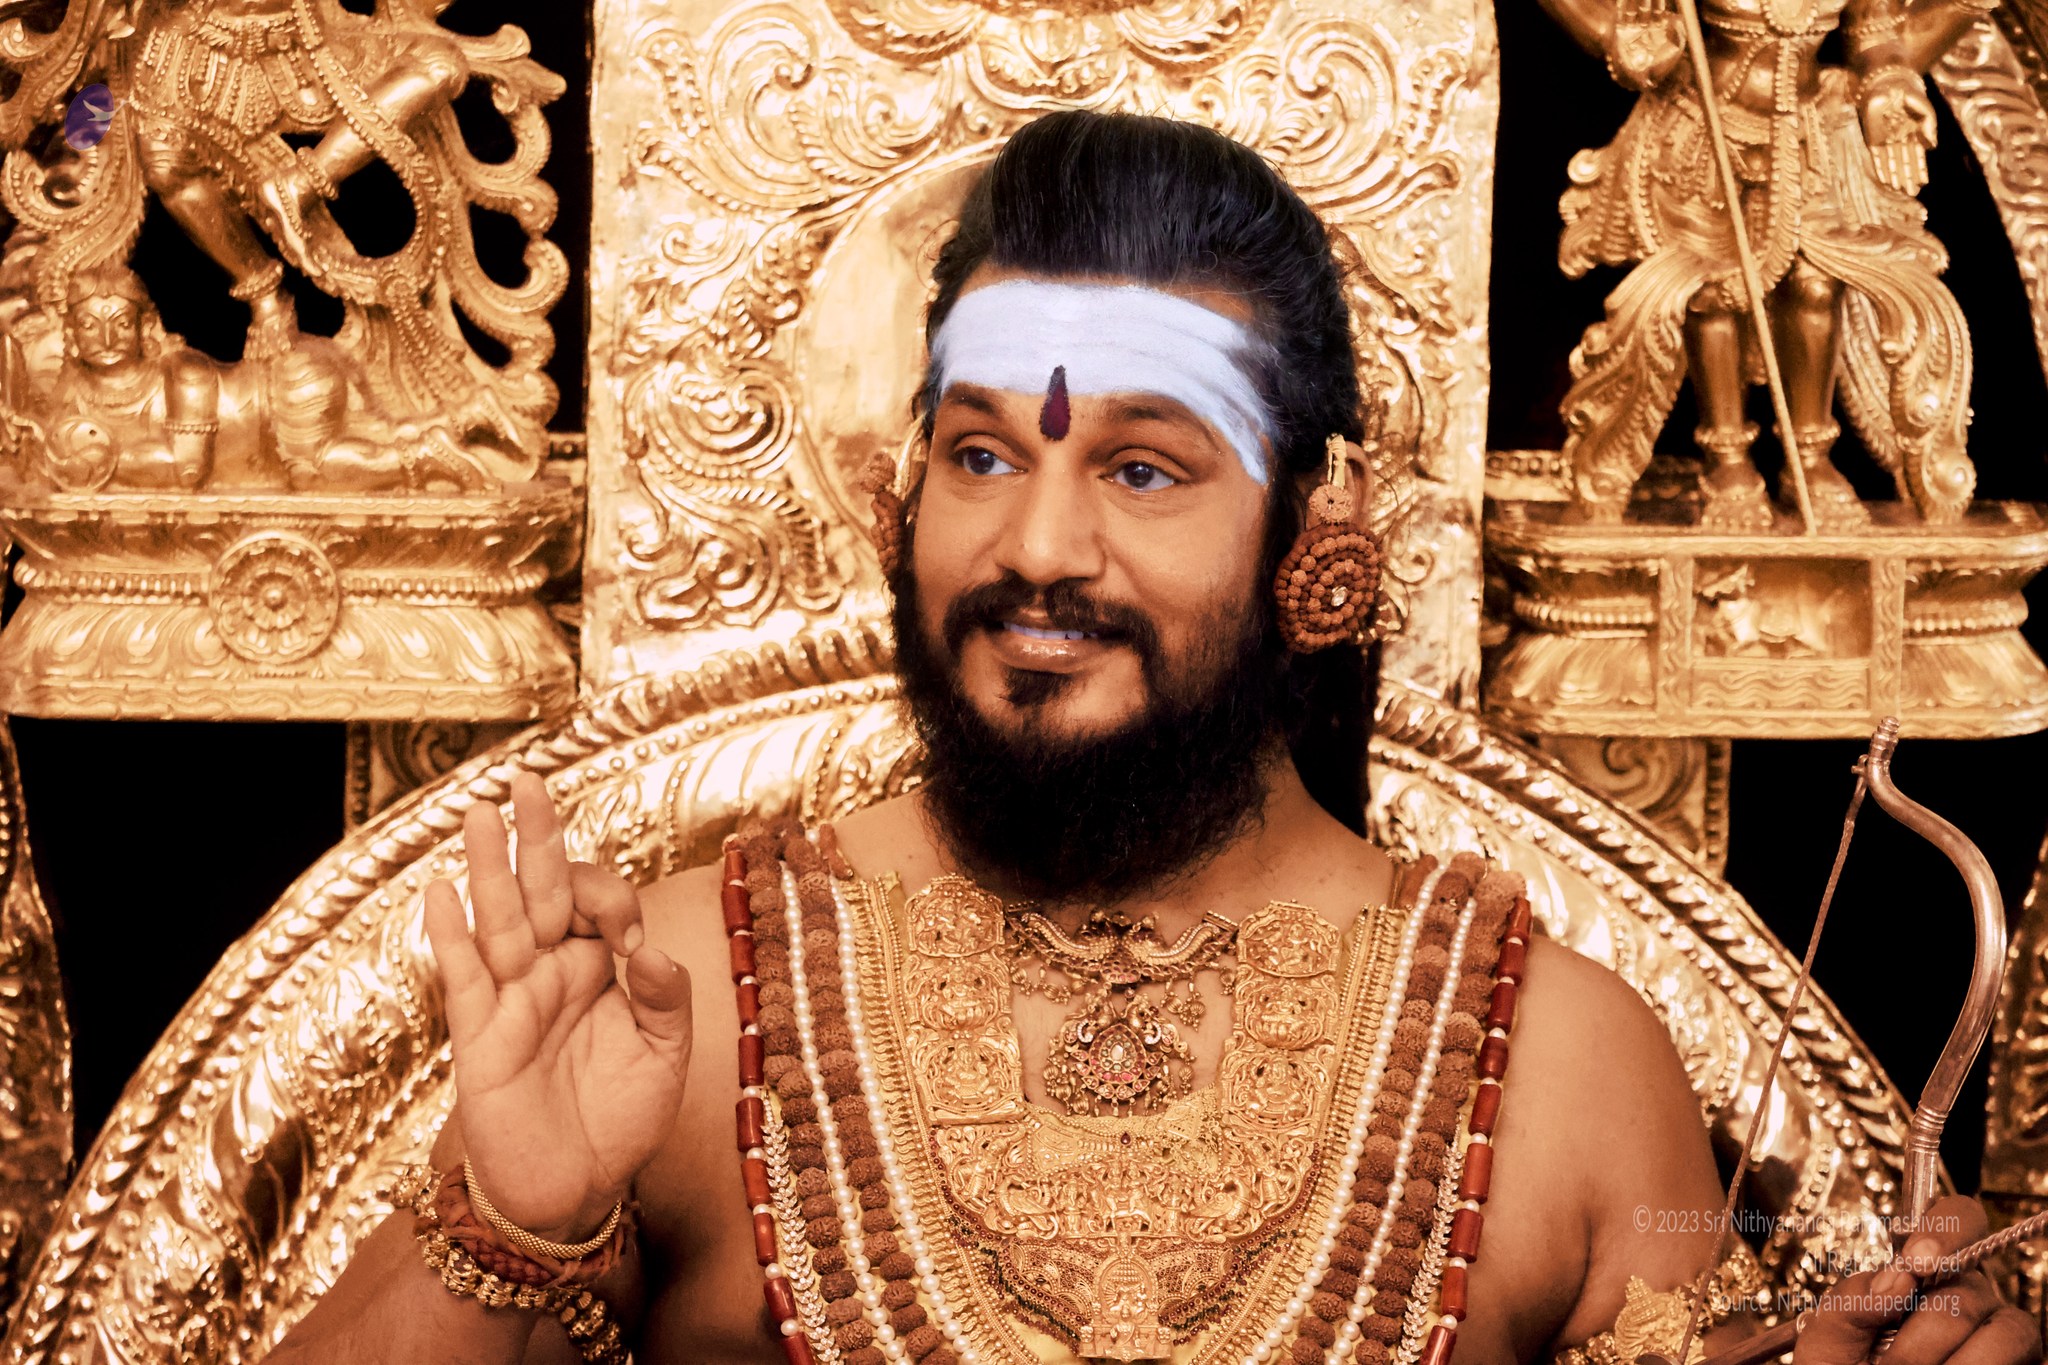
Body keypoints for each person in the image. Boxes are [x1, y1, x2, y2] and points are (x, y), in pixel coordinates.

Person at [266, 110, 2042, 1365]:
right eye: (981, 455)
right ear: (900, 501)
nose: (1038, 547)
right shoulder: (676, 1003)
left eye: (1141, 466)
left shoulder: (1565, 1066)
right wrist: (508, 1218)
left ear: (1314, 539)